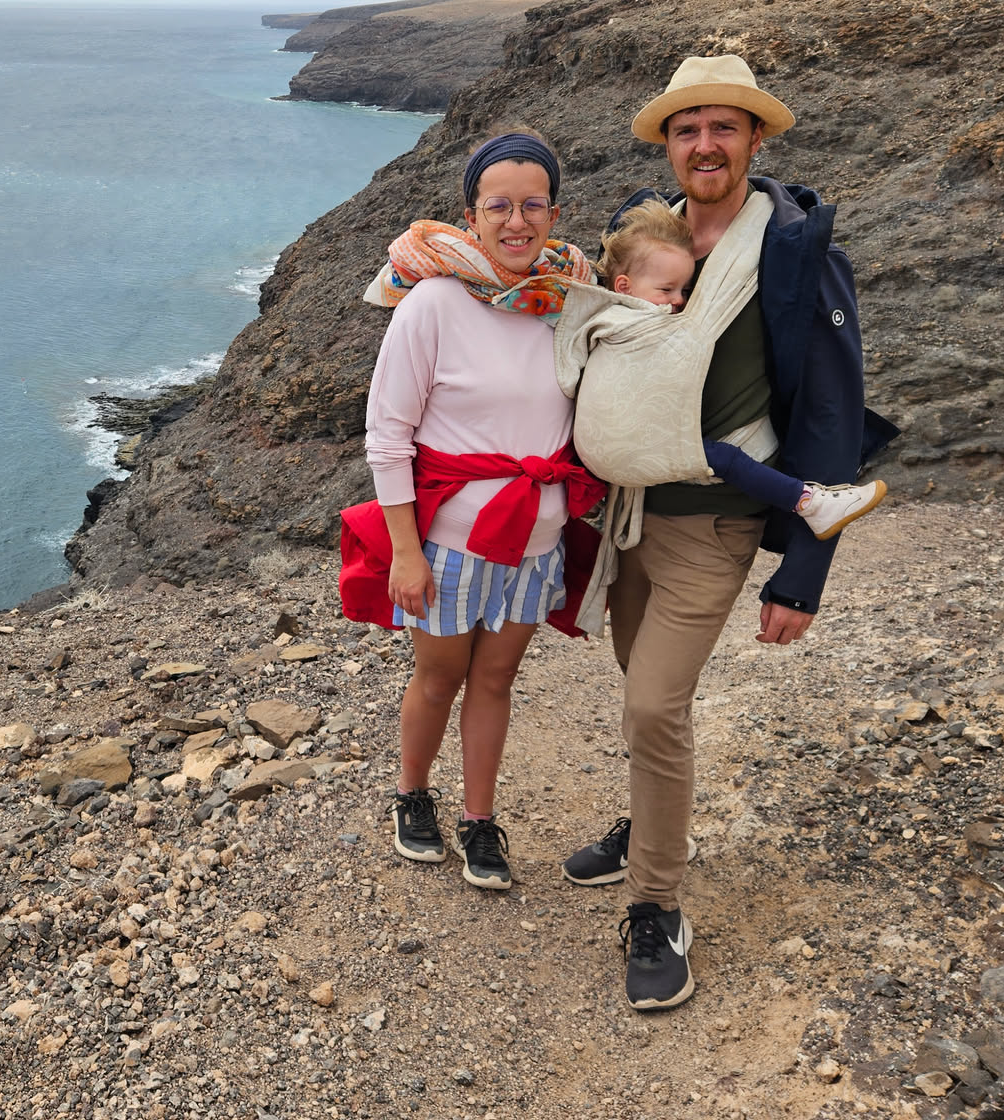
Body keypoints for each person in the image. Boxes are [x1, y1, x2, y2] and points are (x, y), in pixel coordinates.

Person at [561, 54, 897, 1011]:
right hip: (630, 521)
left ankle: (657, 905)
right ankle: (652, 822)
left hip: (714, 524)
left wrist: (803, 574)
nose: (704, 144)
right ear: (668, 145)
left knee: (653, 708)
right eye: (687, 128)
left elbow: (831, 410)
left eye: (723, 127)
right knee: (642, 691)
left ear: (755, 139)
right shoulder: (648, 239)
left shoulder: (792, 254)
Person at [337, 131, 604, 891]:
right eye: (499, 207)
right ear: (472, 215)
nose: (517, 222)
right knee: (439, 677)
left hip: (537, 544)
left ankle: (479, 819)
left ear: (554, 214)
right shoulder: (433, 304)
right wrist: (406, 552)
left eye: (532, 205)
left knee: (496, 680)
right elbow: (387, 437)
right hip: (450, 546)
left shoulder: (569, 305)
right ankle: (411, 794)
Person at [597, 196, 885, 540]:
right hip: (642, 439)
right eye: (667, 289)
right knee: (727, 459)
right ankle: (810, 503)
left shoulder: (605, 316)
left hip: (638, 443)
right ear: (624, 286)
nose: (680, 300)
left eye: (684, 289)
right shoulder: (624, 325)